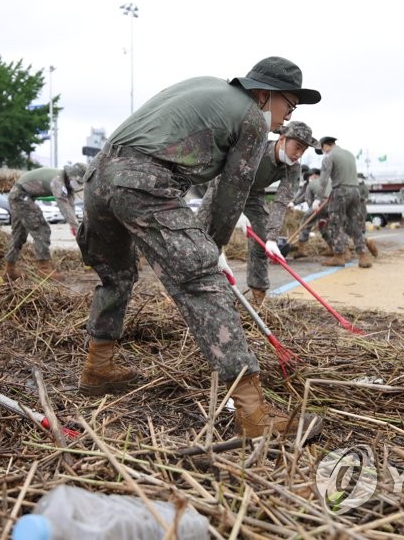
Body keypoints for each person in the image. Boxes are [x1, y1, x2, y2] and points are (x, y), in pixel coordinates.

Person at [77, 56, 322, 439]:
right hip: (144, 182)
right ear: (264, 94)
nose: (286, 119)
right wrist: (213, 250)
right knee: (203, 284)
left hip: (98, 178)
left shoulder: (205, 86)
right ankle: (254, 416)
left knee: (117, 275)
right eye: (288, 106)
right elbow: (231, 195)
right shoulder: (253, 118)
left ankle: (98, 367)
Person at [197, 120, 319, 306]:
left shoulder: (292, 169)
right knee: (203, 233)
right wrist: (233, 211)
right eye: (297, 147)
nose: (299, 154)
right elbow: (228, 178)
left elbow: (280, 203)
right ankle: (199, 289)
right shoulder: (256, 148)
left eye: (304, 151)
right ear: (283, 138)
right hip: (223, 186)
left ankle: (258, 295)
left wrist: (271, 238)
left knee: (261, 238)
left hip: (253, 195)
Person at [3, 163, 87, 280]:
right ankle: (43, 269)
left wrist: (73, 226)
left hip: (19, 196)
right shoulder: (57, 181)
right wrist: (77, 228)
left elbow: (70, 204)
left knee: (19, 234)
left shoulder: (67, 185)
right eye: (78, 182)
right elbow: (64, 206)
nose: (79, 185)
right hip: (20, 196)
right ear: (71, 176)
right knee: (42, 229)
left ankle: (9, 269)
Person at [317, 137, 372, 268]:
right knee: (355, 225)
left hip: (340, 191)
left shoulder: (329, 156)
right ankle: (363, 256)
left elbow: (323, 180)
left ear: (326, 146)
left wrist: (318, 199)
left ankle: (338, 256)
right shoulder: (350, 154)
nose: (323, 152)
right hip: (355, 192)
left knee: (337, 224)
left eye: (322, 149)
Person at [290, 168, 331, 255]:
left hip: (320, 205)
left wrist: (294, 203)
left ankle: (302, 250)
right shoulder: (329, 181)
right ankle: (334, 248)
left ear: (313, 176)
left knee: (305, 223)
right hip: (334, 206)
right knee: (325, 227)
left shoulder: (311, 184)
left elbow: (308, 199)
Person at [356, 173, 378, 259]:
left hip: (361, 209)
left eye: (360, 178)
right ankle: (363, 243)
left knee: (360, 229)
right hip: (353, 209)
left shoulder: (364, 187)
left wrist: (357, 198)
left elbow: (365, 198)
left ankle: (365, 244)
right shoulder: (354, 186)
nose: (359, 179)